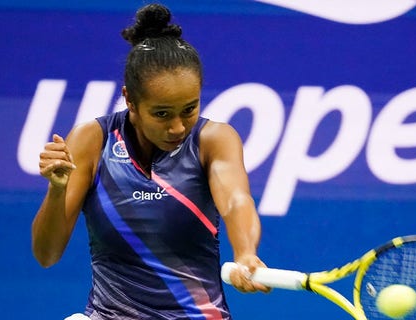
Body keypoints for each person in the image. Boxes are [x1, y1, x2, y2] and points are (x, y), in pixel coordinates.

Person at [31, 3, 269, 319]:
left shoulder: (213, 140)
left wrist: (246, 253)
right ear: (130, 99)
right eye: (162, 114)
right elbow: (47, 255)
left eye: (189, 109)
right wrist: (57, 190)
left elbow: (237, 201)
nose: (178, 127)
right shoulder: (93, 140)